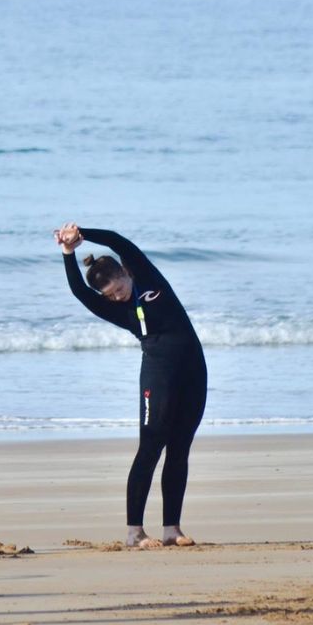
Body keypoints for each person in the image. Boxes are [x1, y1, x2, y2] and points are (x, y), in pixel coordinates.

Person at [56, 223, 206, 549]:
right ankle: (134, 532)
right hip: (158, 374)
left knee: (179, 449)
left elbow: (119, 242)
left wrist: (82, 233)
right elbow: (80, 292)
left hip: (194, 369)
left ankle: (172, 530)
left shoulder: (148, 278)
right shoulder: (114, 308)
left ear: (125, 272)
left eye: (118, 288)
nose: (116, 296)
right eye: (109, 295)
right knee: (150, 449)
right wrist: (68, 253)